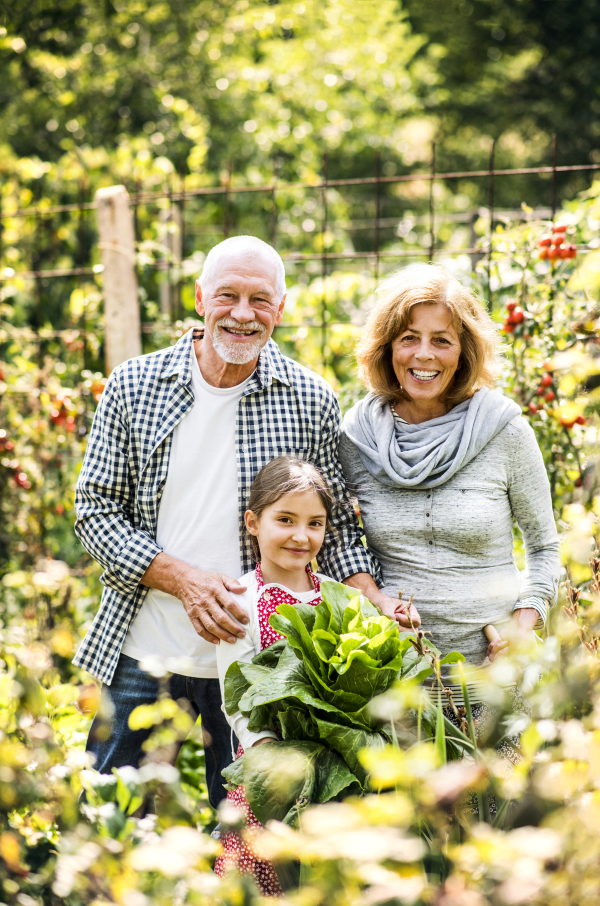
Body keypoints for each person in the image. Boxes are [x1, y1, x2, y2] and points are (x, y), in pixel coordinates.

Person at [74, 234, 409, 809]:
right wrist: (184, 581)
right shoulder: (134, 386)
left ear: (281, 310)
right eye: (227, 296)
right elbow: (94, 512)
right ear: (200, 298)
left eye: (260, 300)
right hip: (146, 645)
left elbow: (339, 527)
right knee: (111, 815)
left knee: (247, 838)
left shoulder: (308, 397)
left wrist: (372, 604)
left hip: (261, 661)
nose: (242, 314)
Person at [340, 263, 561, 711]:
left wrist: (522, 631)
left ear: (464, 351)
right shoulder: (358, 435)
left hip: (495, 676)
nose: (424, 355)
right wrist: (375, 599)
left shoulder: (504, 429)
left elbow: (544, 547)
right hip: (395, 678)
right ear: (387, 348)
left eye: (441, 340)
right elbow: (341, 539)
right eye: (409, 338)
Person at [214, 455, 334, 896]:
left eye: (315, 523)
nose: (301, 536)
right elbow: (237, 699)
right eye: (285, 519)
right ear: (253, 522)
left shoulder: (339, 600)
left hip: (335, 775)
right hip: (270, 776)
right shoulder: (240, 602)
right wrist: (271, 759)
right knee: (264, 883)